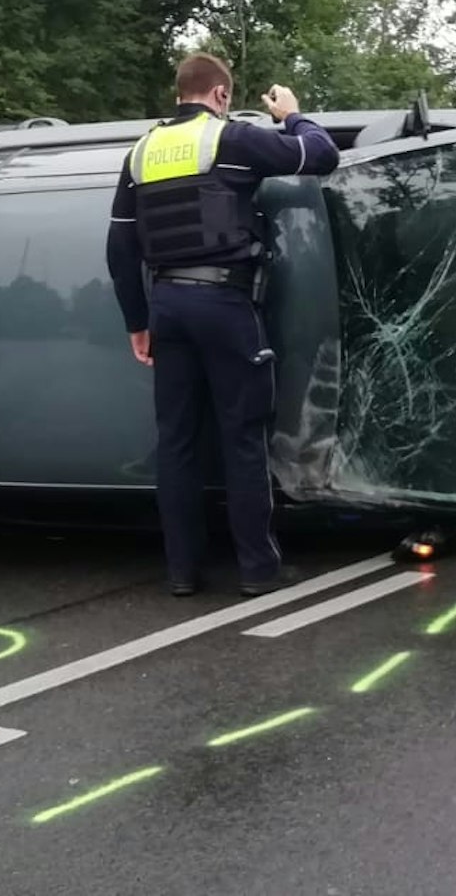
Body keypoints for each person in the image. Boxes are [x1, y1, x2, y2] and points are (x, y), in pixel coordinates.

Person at [106, 52, 339, 597]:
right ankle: (258, 570)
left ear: (178, 92)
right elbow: (321, 156)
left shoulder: (141, 153)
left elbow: (120, 247)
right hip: (225, 305)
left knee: (177, 443)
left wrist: (137, 323)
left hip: (167, 305)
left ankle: (182, 572)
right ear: (220, 95)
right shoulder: (230, 140)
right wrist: (291, 115)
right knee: (241, 439)